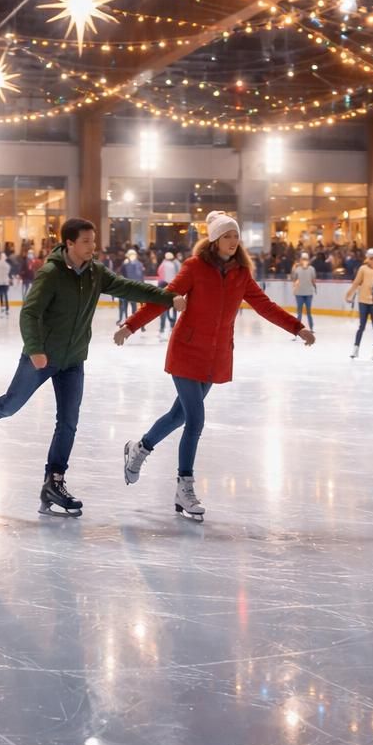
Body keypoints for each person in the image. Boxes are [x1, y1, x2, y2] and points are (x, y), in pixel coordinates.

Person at [0, 218, 184, 517]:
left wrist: (169, 299)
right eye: (86, 242)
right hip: (42, 357)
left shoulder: (95, 273)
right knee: (10, 405)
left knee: (68, 421)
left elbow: (128, 288)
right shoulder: (51, 274)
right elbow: (29, 314)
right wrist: (36, 350)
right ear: (69, 244)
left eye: (93, 241)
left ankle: (54, 481)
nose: (93, 247)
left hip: (73, 360)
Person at [118, 212, 314, 519]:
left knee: (178, 415)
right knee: (195, 420)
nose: (233, 242)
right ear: (214, 240)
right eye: (227, 236)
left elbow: (266, 306)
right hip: (186, 352)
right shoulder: (195, 268)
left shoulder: (241, 274)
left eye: (236, 236)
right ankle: (184, 487)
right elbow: (163, 298)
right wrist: (131, 325)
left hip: (215, 356)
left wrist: (297, 327)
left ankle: (139, 448)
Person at [345, 248, 373, 360]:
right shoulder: (363, 269)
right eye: (370, 258)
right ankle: (356, 349)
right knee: (361, 326)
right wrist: (348, 294)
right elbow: (356, 282)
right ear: (367, 258)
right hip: (363, 301)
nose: (372, 260)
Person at [289, 251, 317, 336]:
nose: (304, 261)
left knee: (308, 311)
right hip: (299, 293)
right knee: (299, 312)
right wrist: (293, 269)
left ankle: (311, 328)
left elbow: (313, 280)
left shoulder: (312, 269)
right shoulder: (297, 269)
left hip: (308, 293)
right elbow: (293, 279)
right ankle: (297, 329)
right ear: (300, 260)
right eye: (303, 259)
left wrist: (314, 287)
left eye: (306, 259)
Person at [117, 249, 146, 321]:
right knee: (128, 305)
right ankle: (129, 319)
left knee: (131, 305)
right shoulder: (127, 264)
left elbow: (141, 276)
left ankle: (131, 319)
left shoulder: (136, 264)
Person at [157, 250, 180, 339]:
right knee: (173, 310)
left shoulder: (163, 265)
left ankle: (162, 329)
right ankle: (172, 325)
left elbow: (160, 277)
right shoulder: (176, 264)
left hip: (165, 291)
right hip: (173, 291)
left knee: (164, 310)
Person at [0, 250, 12, 315]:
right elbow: (8, 274)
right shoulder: (8, 265)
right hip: (5, 282)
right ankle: (7, 308)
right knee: (5, 295)